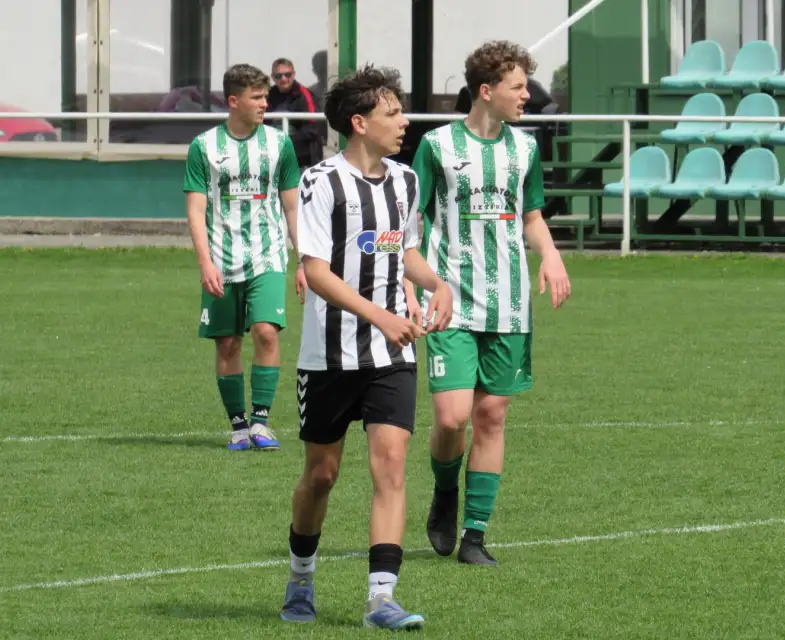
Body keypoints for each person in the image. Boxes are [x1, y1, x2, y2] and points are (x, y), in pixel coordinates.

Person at [280, 64, 453, 630]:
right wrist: (380, 315)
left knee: (392, 467)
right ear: (359, 122)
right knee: (321, 475)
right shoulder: (320, 181)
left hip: (390, 355)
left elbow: (404, 253)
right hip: (329, 356)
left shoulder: (404, 182)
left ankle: (381, 598)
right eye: (392, 113)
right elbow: (317, 272)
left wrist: (437, 284)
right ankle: (300, 578)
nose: (404, 122)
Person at [410, 40, 571, 566]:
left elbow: (531, 217)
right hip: (450, 299)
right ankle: (444, 493)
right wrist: (414, 283)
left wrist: (550, 256)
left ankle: (475, 536)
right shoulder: (435, 146)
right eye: (518, 87)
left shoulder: (525, 150)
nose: (528, 95)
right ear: (487, 91)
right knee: (452, 417)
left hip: (510, 303)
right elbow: (411, 221)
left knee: (492, 416)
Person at [183, 63, 307, 452]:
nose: (264, 104)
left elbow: (291, 206)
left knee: (267, 331)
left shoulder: (279, 144)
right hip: (222, 257)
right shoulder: (204, 147)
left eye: (266, 96)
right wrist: (205, 262)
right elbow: (195, 210)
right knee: (228, 344)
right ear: (233, 101)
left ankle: (261, 422)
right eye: (256, 97)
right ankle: (238, 427)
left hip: (267, 255)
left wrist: (303, 260)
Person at [267, 57, 326, 168]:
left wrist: (285, 143)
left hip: (302, 160)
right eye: (279, 76)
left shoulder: (305, 95)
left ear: (293, 74)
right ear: (273, 77)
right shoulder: (268, 95)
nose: (283, 79)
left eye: (287, 75)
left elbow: (313, 128)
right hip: (273, 157)